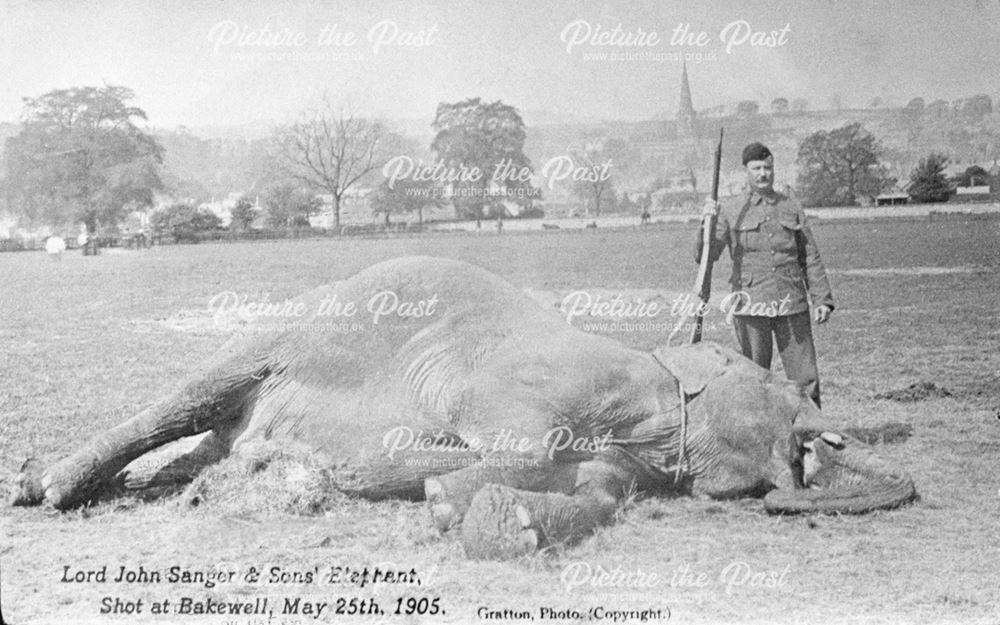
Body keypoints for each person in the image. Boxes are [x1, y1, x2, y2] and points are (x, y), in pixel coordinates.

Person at [697, 142, 834, 408]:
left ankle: (810, 436)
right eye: (757, 168)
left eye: (768, 168)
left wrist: (822, 299)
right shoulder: (731, 208)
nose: (763, 174)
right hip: (751, 304)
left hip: (790, 302)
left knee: (805, 378)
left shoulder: (790, 207)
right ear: (746, 172)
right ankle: (759, 439)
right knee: (754, 377)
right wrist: (706, 223)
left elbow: (810, 255)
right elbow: (706, 255)